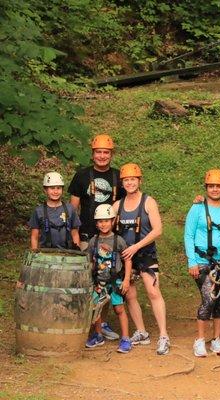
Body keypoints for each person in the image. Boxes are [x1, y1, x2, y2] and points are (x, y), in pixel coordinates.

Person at [68, 133, 124, 341]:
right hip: (86, 235)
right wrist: (74, 235)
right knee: (88, 279)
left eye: (106, 153)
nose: (102, 156)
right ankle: (86, 321)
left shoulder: (119, 177)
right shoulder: (82, 176)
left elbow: (127, 206)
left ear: (111, 154)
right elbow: (73, 209)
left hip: (110, 237)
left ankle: (102, 321)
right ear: (93, 154)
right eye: (99, 152)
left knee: (107, 279)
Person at [113, 163, 170, 355]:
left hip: (144, 253)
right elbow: (107, 228)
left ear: (139, 181)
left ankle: (163, 335)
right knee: (129, 294)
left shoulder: (148, 202)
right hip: (126, 257)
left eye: (133, 179)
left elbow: (158, 230)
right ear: (122, 183)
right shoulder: (117, 206)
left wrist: (137, 246)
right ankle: (141, 331)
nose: (130, 183)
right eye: (126, 180)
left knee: (153, 292)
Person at [184, 169, 220, 358]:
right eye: (211, 186)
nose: (215, 190)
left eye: (219, 186)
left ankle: (216, 339)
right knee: (209, 298)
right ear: (206, 188)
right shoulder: (197, 208)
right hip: (202, 261)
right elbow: (188, 235)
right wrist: (192, 261)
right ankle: (200, 339)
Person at [85, 204, 132, 354]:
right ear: (96, 223)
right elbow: (90, 261)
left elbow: (128, 260)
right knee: (96, 308)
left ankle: (125, 338)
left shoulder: (119, 240)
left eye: (106, 221)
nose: (103, 224)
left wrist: (126, 280)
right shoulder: (94, 241)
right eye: (100, 221)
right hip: (99, 281)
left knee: (119, 309)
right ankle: (98, 335)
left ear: (113, 221)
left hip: (115, 281)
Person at [29, 172, 81, 250]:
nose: (55, 192)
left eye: (58, 188)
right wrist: (34, 254)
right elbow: (34, 236)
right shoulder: (39, 211)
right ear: (45, 190)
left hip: (68, 252)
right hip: (46, 253)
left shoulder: (70, 209)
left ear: (62, 190)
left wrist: (77, 252)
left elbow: (75, 234)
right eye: (52, 188)